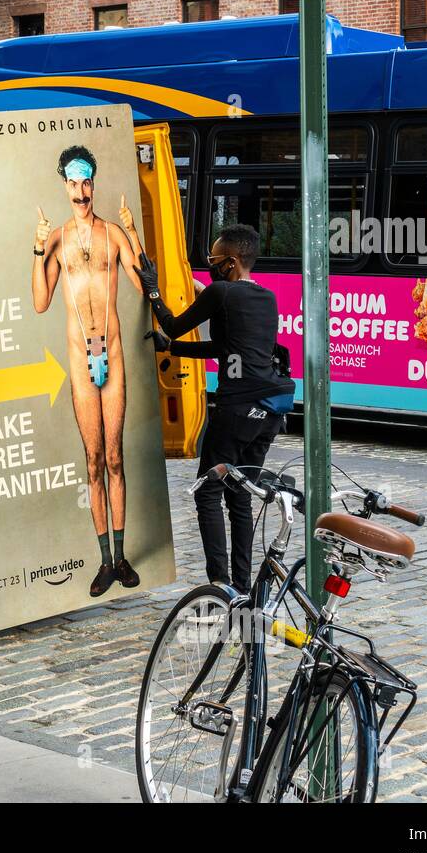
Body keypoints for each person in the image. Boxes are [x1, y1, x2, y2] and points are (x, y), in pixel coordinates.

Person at [134, 224, 295, 592]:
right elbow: (226, 350)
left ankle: (220, 585)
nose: (210, 265)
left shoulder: (221, 292)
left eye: (214, 259)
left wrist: (152, 288)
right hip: (271, 409)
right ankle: (241, 585)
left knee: (208, 491)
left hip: (237, 408)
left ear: (232, 261)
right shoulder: (267, 298)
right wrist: (170, 349)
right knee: (241, 495)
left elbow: (174, 325)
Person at [32, 145, 148, 598]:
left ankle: (122, 558)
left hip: (114, 356)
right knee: (94, 462)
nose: (81, 191)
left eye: (87, 182)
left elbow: (142, 286)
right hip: (81, 362)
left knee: (117, 458)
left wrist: (134, 232)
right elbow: (40, 302)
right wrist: (37, 249)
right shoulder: (57, 239)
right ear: (64, 184)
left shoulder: (113, 234)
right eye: (73, 183)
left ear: (93, 183)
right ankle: (104, 561)